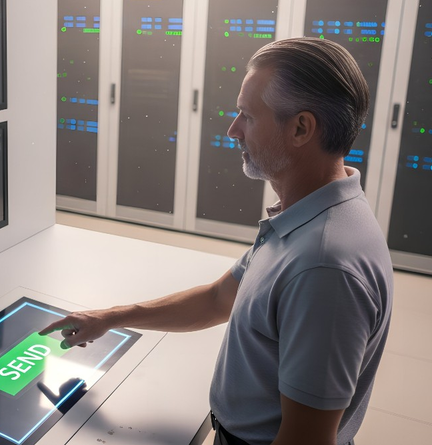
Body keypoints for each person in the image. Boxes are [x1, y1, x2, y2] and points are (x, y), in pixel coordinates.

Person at [40, 38, 394, 445]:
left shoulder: (324, 268)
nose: (233, 130)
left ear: (301, 128)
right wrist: (110, 317)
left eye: (247, 115)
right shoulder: (308, 216)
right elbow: (218, 299)